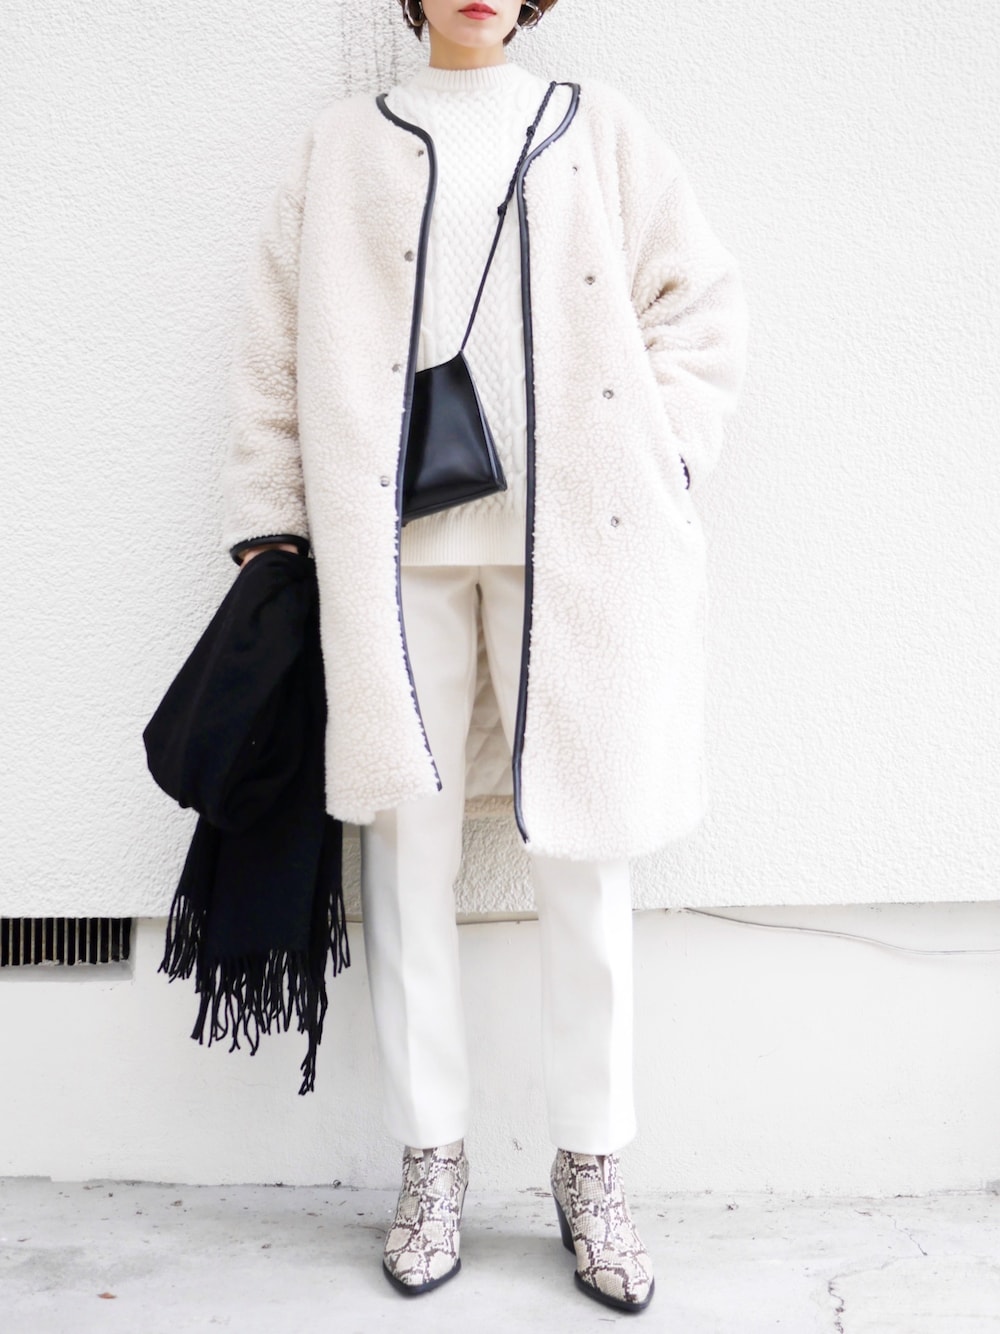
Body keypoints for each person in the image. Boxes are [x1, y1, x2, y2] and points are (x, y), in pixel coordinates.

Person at [223, 0, 747, 1313]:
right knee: (407, 855)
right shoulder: (344, 145)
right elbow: (276, 351)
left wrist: (664, 460)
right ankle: (432, 1162)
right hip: (393, 557)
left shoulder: (595, 129)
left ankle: (594, 1166)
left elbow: (700, 303)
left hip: (579, 549)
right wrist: (272, 524)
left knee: (587, 852)